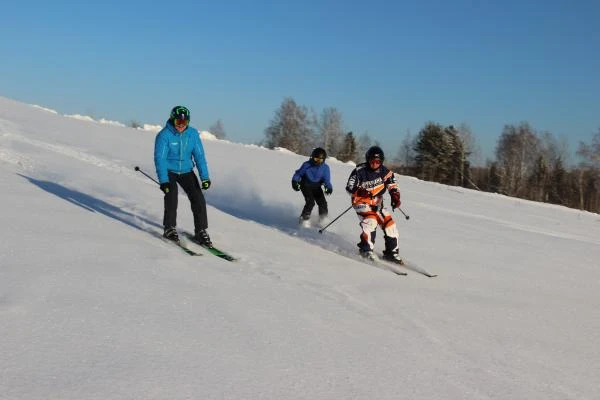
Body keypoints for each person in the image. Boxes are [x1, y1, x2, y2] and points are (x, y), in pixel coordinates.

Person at [154, 105, 212, 246]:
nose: (181, 125)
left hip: (186, 170)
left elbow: (199, 156)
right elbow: (160, 159)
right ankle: (169, 228)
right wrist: (164, 181)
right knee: (171, 196)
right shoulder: (164, 135)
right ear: (172, 120)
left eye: (184, 122)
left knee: (198, 198)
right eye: (178, 122)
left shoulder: (192, 134)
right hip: (170, 170)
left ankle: (201, 230)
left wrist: (205, 177)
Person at [345, 146, 402, 262]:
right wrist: (360, 190)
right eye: (372, 161)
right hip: (361, 202)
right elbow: (350, 187)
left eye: (378, 162)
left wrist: (395, 196)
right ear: (368, 159)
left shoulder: (385, 172)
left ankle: (391, 252)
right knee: (371, 221)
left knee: (390, 225)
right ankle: (365, 250)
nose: (375, 164)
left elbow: (392, 184)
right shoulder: (359, 171)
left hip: (377, 203)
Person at [291, 147, 333, 225]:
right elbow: (298, 174)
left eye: (320, 160)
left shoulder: (325, 168)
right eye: (316, 159)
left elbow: (327, 180)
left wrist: (328, 188)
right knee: (310, 202)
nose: (318, 162)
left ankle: (323, 220)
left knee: (322, 203)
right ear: (312, 157)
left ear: (323, 160)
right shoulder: (306, 165)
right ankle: (304, 220)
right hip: (305, 184)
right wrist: (294, 182)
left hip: (316, 186)